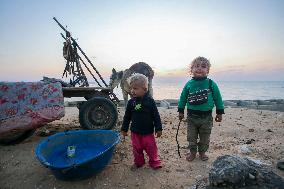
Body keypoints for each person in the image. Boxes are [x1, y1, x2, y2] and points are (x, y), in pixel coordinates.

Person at [178, 56, 224, 161]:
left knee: (205, 137)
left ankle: (202, 152)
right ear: (191, 69)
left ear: (207, 70)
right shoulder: (189, 84)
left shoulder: (211, 84)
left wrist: (219, 112)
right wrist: (181, 111)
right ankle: (193, 152)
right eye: (196, 66)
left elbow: (218, 98)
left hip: (206, 118)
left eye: (203, 67)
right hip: (191, 118)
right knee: (191, 137)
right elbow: (183, 98)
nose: (199, 69)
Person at [121, 73, 163, 170]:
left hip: (148, 132)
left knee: (151, 148)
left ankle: (154, 162)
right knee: (136, 149)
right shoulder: (131, 103)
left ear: (144, 89)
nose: (132, 91)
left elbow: (156, 116)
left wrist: (158, 128)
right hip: (135, 132)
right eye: (131, 88)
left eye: (135, 88)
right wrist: (124, 129)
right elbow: (127, 117)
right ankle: (139, 162)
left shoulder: (150, 101)